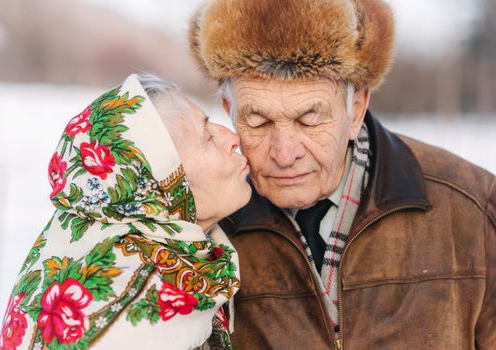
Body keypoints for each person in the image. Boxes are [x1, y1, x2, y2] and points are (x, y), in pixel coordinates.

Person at [188, 0, 496, 348]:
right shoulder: (203, 227)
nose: (285, 154)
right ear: (229, 111)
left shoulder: (473, 207)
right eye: (258, 121)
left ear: (356, 109)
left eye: (310, 119)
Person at [0, 73, 251, 350]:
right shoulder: (118, 324)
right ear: (161, 187)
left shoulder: (186, 258)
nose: (232, 137)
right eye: (207, 137)